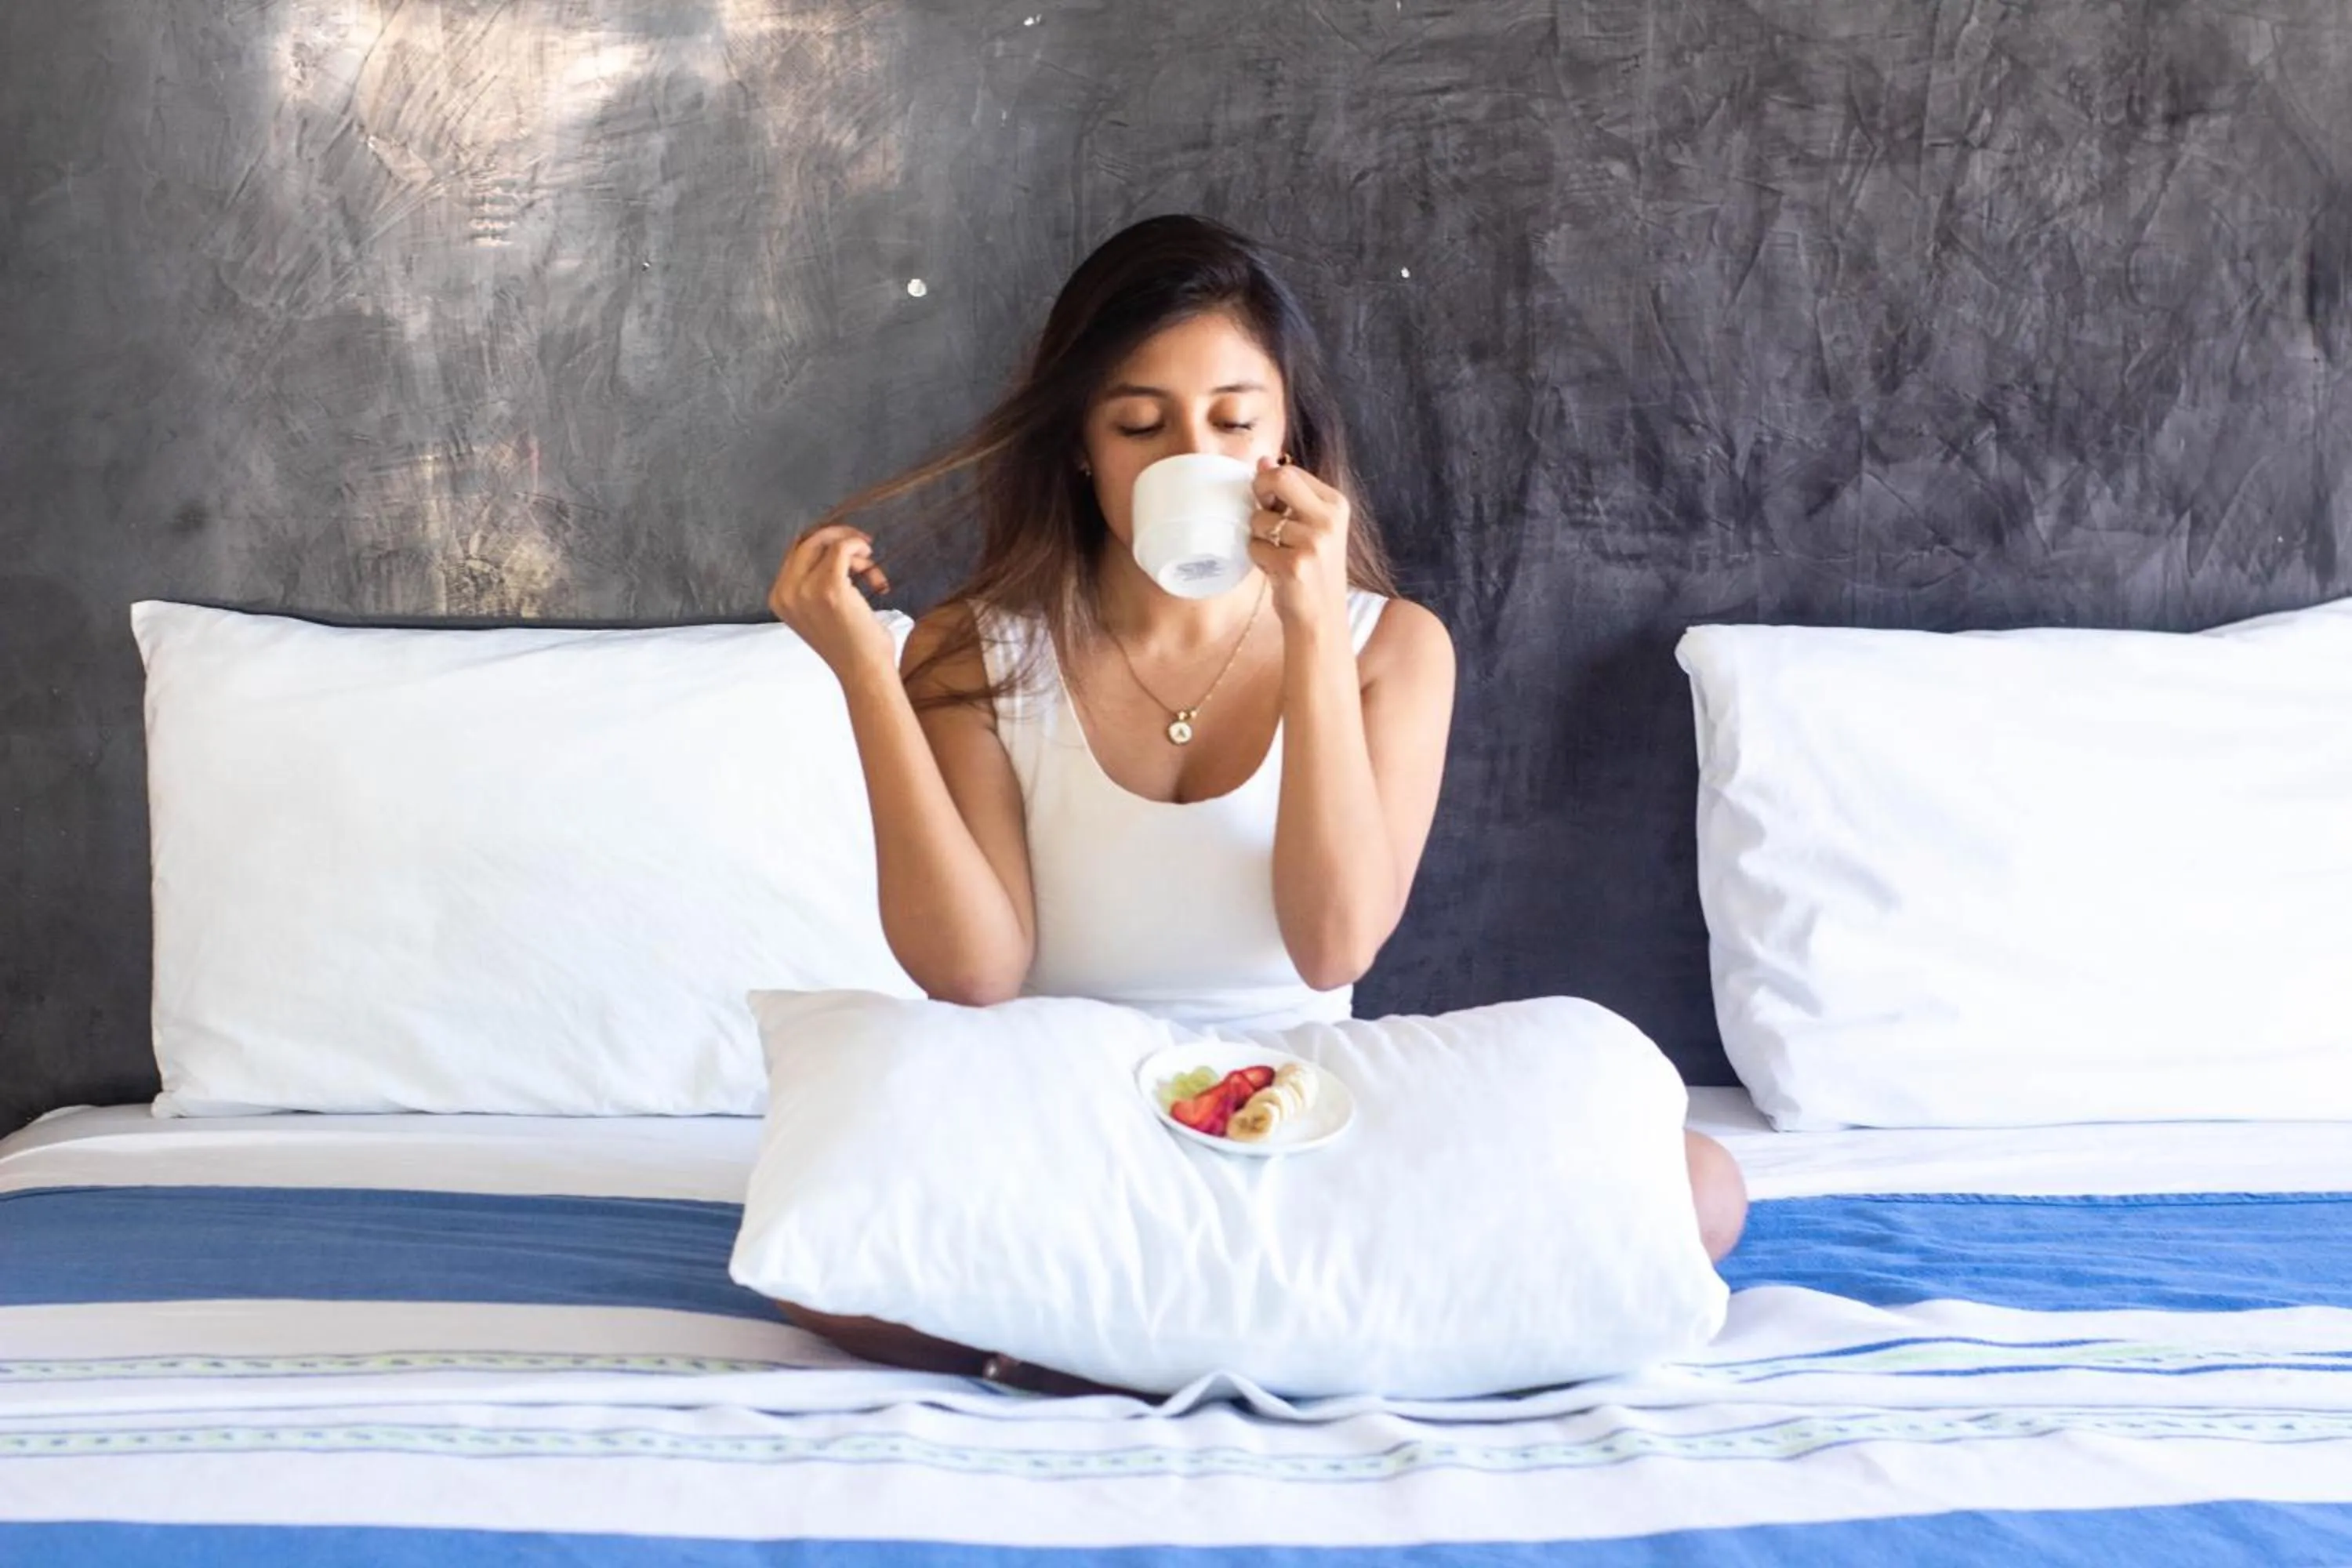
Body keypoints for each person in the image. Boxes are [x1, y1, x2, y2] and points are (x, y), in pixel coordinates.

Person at [765, 214, 1747, 1393]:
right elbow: (971, 974)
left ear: (1288, 439)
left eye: (1235, 421)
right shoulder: (977, 647)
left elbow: (1333, 940)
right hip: (1067, 1122)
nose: (1199, 456)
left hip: (1314, 1114)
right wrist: (868, 673)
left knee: (1698, 1186)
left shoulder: (1394, 648)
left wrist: (1310, 625)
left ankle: (1092, 1337)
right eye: (1141, 424)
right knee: (809, 1235)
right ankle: (1330, 1332)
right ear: (1081, 446)